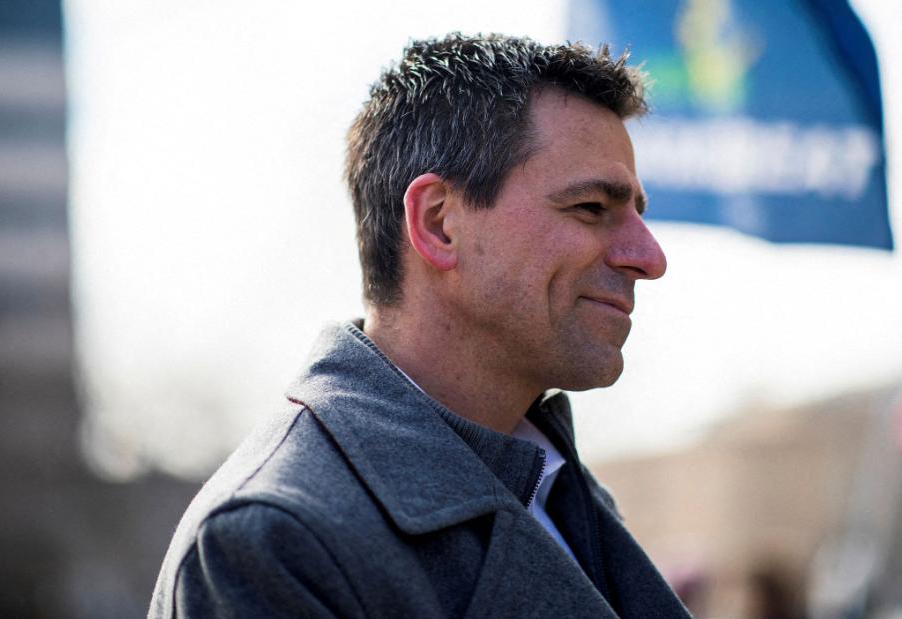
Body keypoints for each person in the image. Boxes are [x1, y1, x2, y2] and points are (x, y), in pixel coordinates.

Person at [149, 32, 688, 618]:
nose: (649, 257)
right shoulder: (273, 541)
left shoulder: (556, 492)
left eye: (636, 213)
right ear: (438, 224)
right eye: (591, 208)